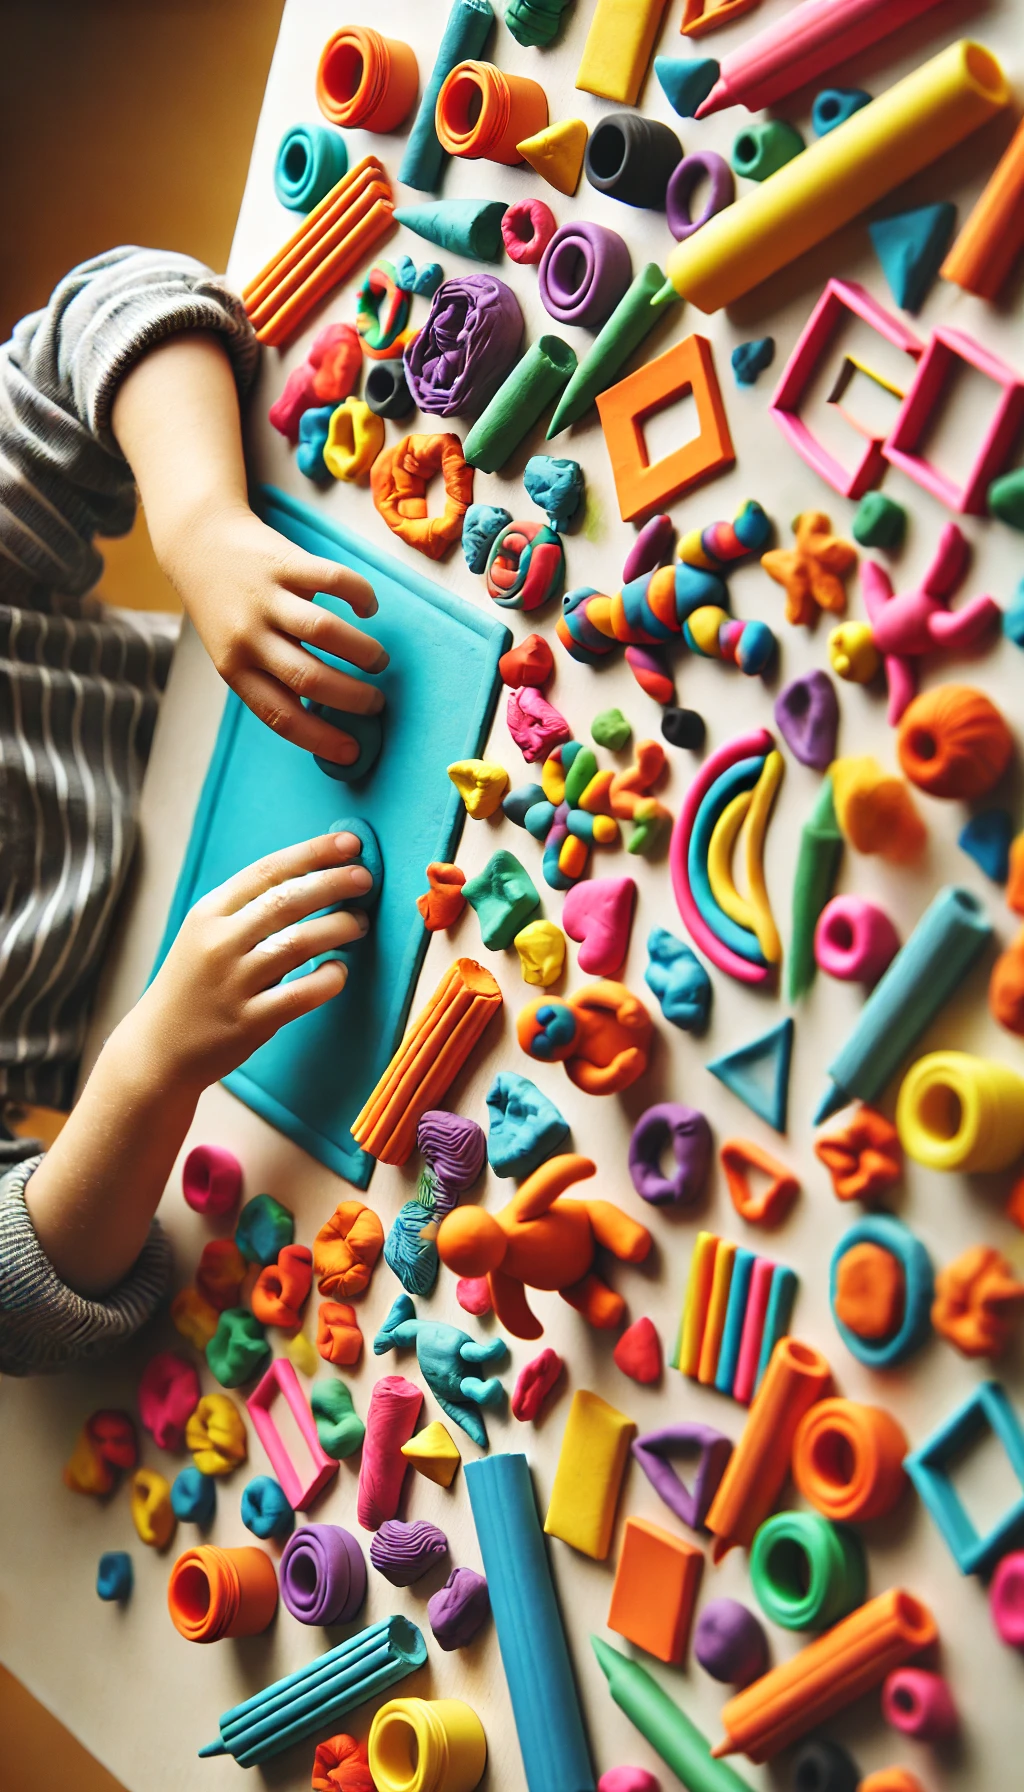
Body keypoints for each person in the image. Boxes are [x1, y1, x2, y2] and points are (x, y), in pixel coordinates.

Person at [0, 247, 385, 1373]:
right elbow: (14, 1304)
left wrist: (202, 529)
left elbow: (109, 309)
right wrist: (151, 1064)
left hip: (287, 703)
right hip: (237, 1083)